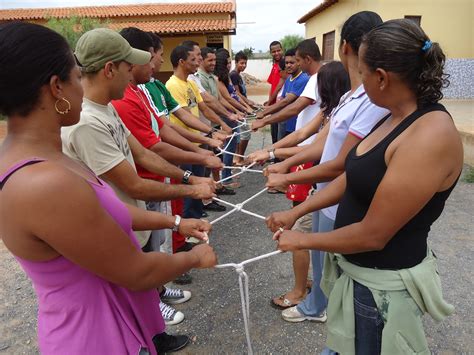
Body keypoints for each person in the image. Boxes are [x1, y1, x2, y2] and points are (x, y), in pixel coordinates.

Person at [0, 22, 218, 354]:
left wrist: (175, 222)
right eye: (76, 77)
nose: (81, 88)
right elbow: (136, 271)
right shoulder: (43, 182)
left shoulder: (41, 158)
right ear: (56, 87)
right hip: (93, 338)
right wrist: (194, 257)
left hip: (109, 326)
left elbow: (105, 212)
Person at [269, 18, 461, 354]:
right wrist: (297, 211)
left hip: (382, 291)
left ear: (382, 78)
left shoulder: (430, 134)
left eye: (363, 72)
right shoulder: (392, 116)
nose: (357, 80)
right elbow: (352, 176)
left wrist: (302, 238)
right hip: (359, 279)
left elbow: (374, 234)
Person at [266, 11, 388, 324]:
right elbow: (321, 142)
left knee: (338, 272)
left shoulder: (372, 100)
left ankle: (327, 314)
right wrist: (280, 160)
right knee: (323, 266)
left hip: (340, 199)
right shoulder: (353, 94)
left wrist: (288, 179)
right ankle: (321, 310)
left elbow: (340, 164)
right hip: (326, 195)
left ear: (345, 46)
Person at [247, 61, 350, 310]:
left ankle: (304, 295)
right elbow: (301, 134)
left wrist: (277, 160)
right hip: (320, 184)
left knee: (304, 237)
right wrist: (270, 152)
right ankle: (318, 290)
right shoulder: (329, 112)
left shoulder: (342, 113)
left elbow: (315, 149)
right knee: (316, 241)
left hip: (332, 188)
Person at [165, 45, 227, 220]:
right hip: (185, 145)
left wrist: (218, 127)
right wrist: (211, 134)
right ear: (181, 62)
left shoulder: (191, 82)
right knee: (188, 189)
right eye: (193, 59)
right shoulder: (172, 85)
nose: (197, 62)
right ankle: (186, 229)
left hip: (197, 142)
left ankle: (196, 222)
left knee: (200, 184)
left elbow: (204, 108)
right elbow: (183, 116)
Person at [230, 51, 257, 161]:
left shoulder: (238, 75)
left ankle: (238, 157)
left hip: (242, 108)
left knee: (240, 134)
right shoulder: (233, 75)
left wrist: (249, 102)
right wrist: (247, 104)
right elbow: (237, 93)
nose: (244, 65)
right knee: (244, 134)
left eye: (245, 63)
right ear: (236, 63)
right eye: (241, 63)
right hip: (238, 109)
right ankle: (238, 158)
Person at [265, 40, 285, 143]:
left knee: (279, 135)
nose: (276, 53)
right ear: (271, 53)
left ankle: (277, 158)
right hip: (274, 104)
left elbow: (279, 86)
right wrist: (269, 101)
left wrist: (269, 103)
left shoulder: (284, 65)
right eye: (274, 51)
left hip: (279, 104)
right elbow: (273, 86)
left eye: (278, 50)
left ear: (282, 50)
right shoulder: (275, 66)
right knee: (274, 133)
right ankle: (275, 157)